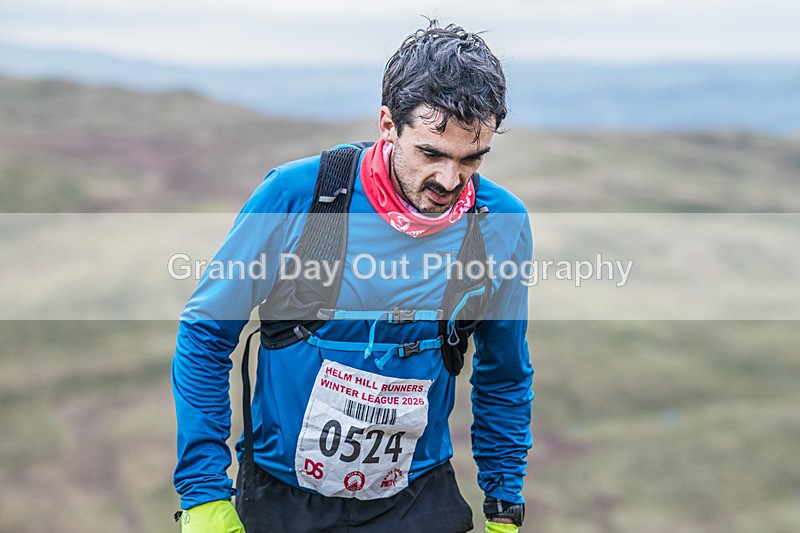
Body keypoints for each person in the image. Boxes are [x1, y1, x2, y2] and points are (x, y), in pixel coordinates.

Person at [172, 20, 533, 533]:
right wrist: (203, 495)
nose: (450, 181)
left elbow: (505, 372)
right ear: (387, 124)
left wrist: (504, 504)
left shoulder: (501, 222)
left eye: (471, 159)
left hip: (417, 498)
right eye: (431, 153)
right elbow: (205, 333)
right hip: (282, 498)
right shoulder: (298, 195)